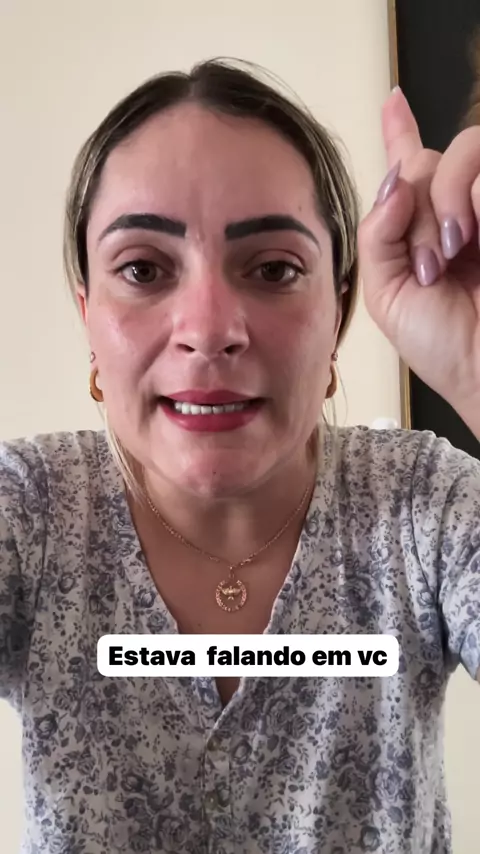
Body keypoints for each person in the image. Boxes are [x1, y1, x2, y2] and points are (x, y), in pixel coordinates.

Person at [1, 58, 479, 854]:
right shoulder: (30, 514)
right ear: (88, 313)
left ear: (339, 310)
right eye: (143, 270)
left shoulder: (424, 507)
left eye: (274, 270)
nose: (210, 329)